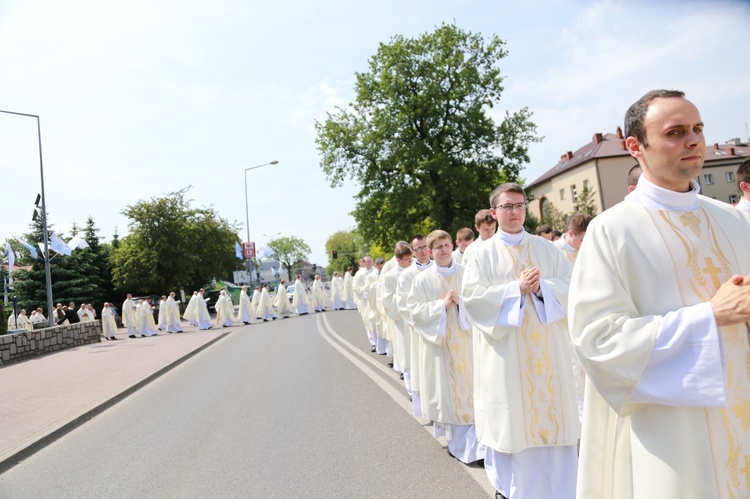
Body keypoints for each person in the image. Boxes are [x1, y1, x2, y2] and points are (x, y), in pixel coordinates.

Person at [569, 89, 750, 499]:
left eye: (698, 129)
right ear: (636, 147)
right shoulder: (613, 230)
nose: (693, 140)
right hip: (674, 434)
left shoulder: (733, 221)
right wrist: (709, 318)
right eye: (675, 132)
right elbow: (596, 339)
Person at [462, 182, 578, 499]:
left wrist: (543, 290)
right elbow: (472, 300)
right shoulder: (479, 254)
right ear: (494, 212)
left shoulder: (547, 249)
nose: (514, 212)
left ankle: (562, 490)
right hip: (506, 357)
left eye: (519, 205)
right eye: (507, 206)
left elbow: (572, 287)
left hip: (549, 358)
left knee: (554, 424)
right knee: (513, 424)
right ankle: (512, 490)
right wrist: (516, 290)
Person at [408, 230, 484, 465]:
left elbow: (482, 301)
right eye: (438, 246)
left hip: (470, 344)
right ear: (429, 251)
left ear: (453, 245)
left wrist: (463, 303)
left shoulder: (467, 273)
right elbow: (414, 311)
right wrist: (439, 307)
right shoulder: (422, 279)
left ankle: (478, 447)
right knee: (451, 397)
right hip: (442, 348)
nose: (443, 249)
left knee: (474, 393)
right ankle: (458, 445)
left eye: (446, 244)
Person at [396, 234, 433, 415]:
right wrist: (425, 321)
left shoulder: (439, 267)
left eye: (425, 247)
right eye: (418, 248)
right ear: (412, 251)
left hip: (443, 330)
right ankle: (427, 410)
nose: (423, 251)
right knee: (423, 372)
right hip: (419, 332)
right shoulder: (407, 276)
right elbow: (404, 306)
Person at [380, 242, 413, 387]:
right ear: (398, 260)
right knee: (406, 355)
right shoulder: (390, 276)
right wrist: (404, 298)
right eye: (407, 260)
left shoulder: (415, 271)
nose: (410, 262)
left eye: (410, 258)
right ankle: (411, 389)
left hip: (417, 318)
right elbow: (387, 300)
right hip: (402, 320)